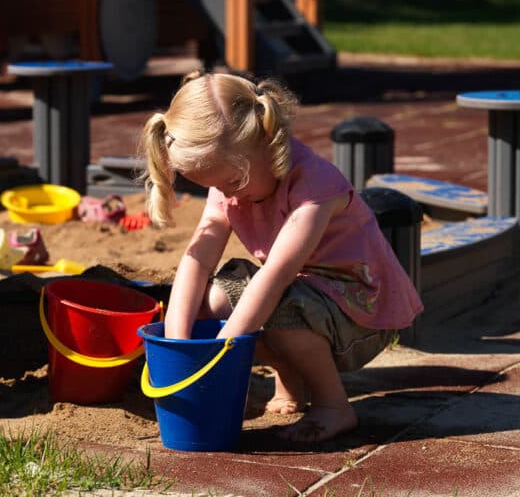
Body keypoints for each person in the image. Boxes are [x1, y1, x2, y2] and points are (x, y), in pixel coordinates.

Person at [140, 71, 423, 442]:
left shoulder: (315, 188)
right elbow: (197, 261)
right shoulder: (234, 179)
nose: (227, 196)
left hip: (362, 310)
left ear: (265, 145)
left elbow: (276, 275)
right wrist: (179, 343)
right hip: (305, 295)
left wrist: (220, 355)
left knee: (272, 305)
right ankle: (291, 379)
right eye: (214, 187)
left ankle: (332, 405)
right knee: (213, 300)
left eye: (231, 183)